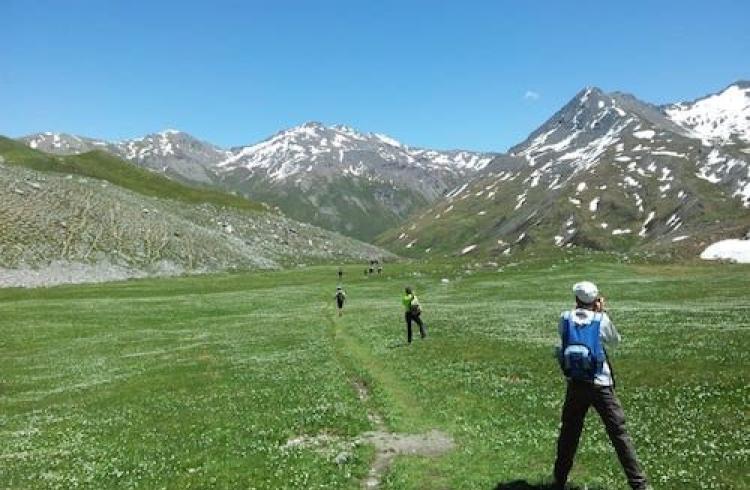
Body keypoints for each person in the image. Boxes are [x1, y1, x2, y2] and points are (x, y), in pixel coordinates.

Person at [553, 281, 649, 490]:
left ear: (576, 299)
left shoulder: (565, 317)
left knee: (569, 433)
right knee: (618, 434)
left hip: (576, 383)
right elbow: (614, 341)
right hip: (600, 384)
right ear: (595, 300)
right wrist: (601, 312)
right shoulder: (601, 319)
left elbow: (564, 339)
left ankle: (559, 480)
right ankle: (639, 485)